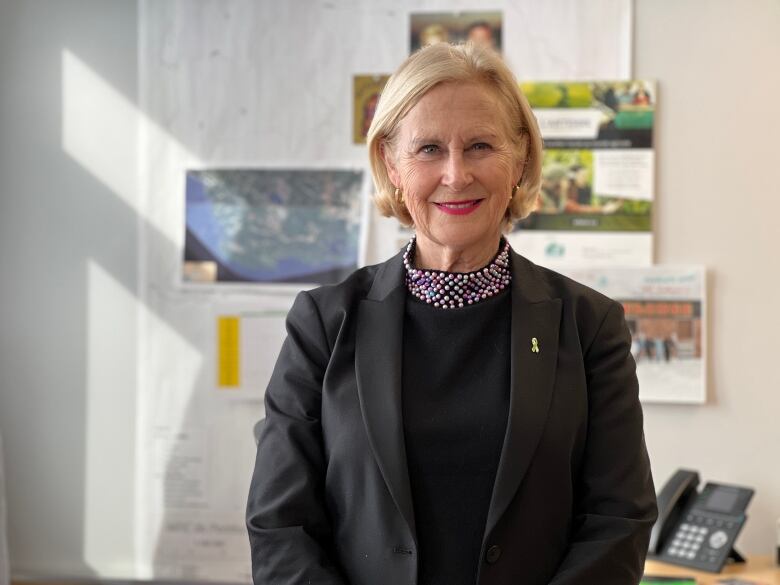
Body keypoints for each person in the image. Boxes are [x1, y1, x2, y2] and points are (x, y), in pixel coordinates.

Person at [247, 42, 657, 585]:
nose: (456, 174)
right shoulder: (323, 323)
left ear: (520, 161)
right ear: (391, 165)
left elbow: (617, 521)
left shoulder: (588, 327)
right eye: (429, 149)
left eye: (481, 145)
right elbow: (280, 526)